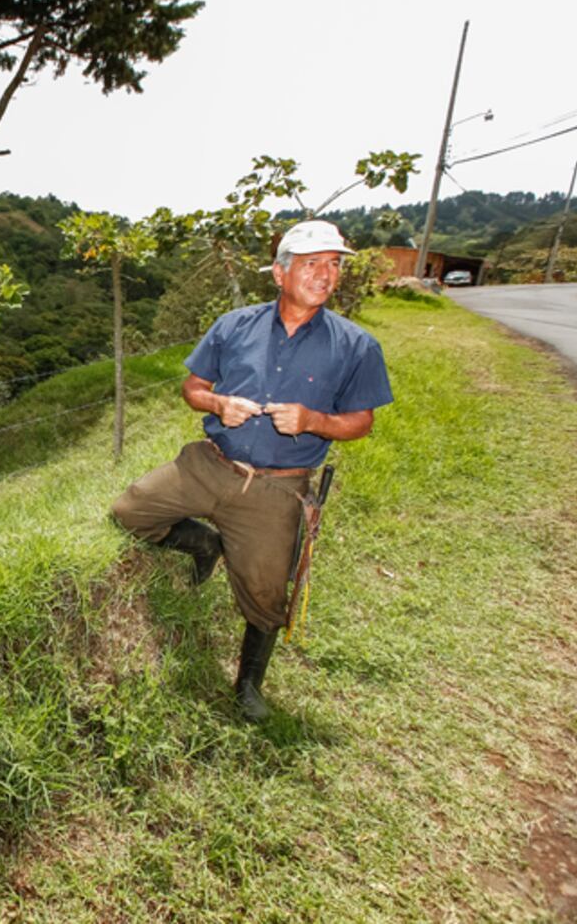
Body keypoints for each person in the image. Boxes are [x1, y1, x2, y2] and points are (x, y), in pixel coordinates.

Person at [111, 219, 393, 722]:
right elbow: (192, 388)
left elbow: (361, 423)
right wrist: (217, 404)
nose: (326, 276)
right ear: (280, 274)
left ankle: (247, 686)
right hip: (210, 465)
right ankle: (203, 543)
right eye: (312, 265)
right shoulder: (233, 325)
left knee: (266, 598)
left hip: (276, 490)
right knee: (127, 512)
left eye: (333, 265)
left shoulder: (356, 346)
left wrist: (315, 421)